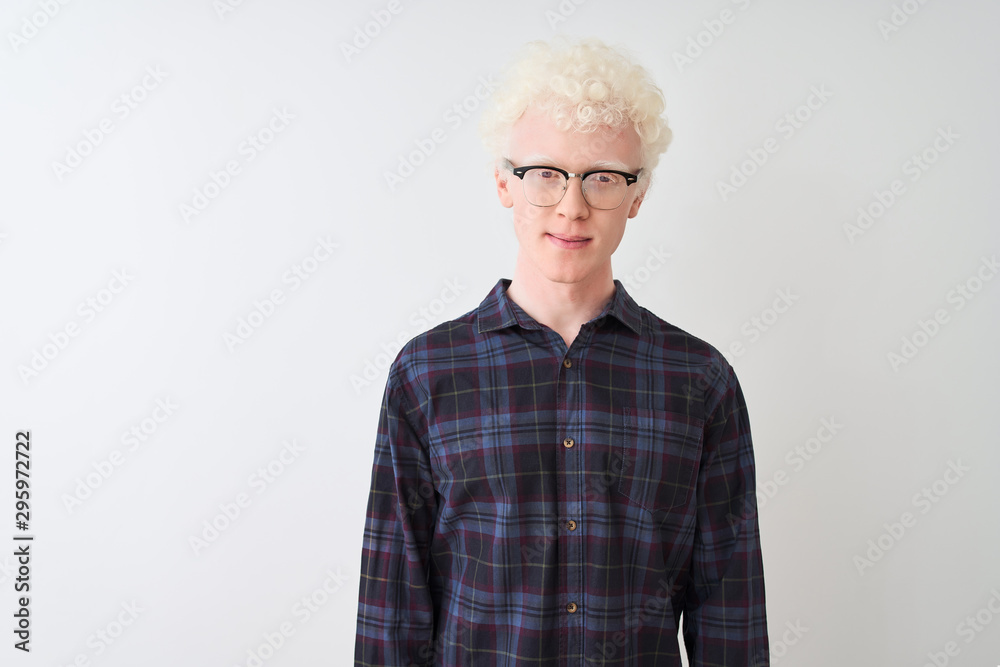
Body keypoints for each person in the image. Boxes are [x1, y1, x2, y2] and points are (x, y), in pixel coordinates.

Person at [355, 36, 769, 666]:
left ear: (637, 195)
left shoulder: (699, 380)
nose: (572, 208)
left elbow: (729, 610)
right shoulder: (427, 373)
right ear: (504, 183)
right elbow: (393, 607)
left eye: (603, 178)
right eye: (546, 174)